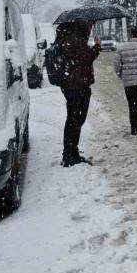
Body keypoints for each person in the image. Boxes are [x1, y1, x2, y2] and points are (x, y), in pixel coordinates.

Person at [57, 21, 101, 167]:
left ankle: (71, 152)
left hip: (73, 86)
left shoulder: (70, 40)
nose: (90, 29)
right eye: (89, 27)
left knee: (74, 120)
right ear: (82, 28)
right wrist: (97, 46)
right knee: (75, 121)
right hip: (77, 87)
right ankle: (70, 155)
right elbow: (86, 58)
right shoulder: (76, 41)